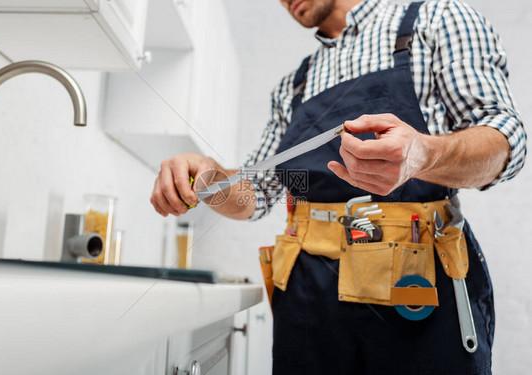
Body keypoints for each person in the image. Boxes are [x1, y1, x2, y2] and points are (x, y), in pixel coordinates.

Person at [151, 0, 526, 373]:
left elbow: (505, 142)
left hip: (416, 281)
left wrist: (423, 155)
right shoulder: (292, 88)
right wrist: (210, 179)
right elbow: (259, 192)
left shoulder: (435, 20)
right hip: (307, 296)